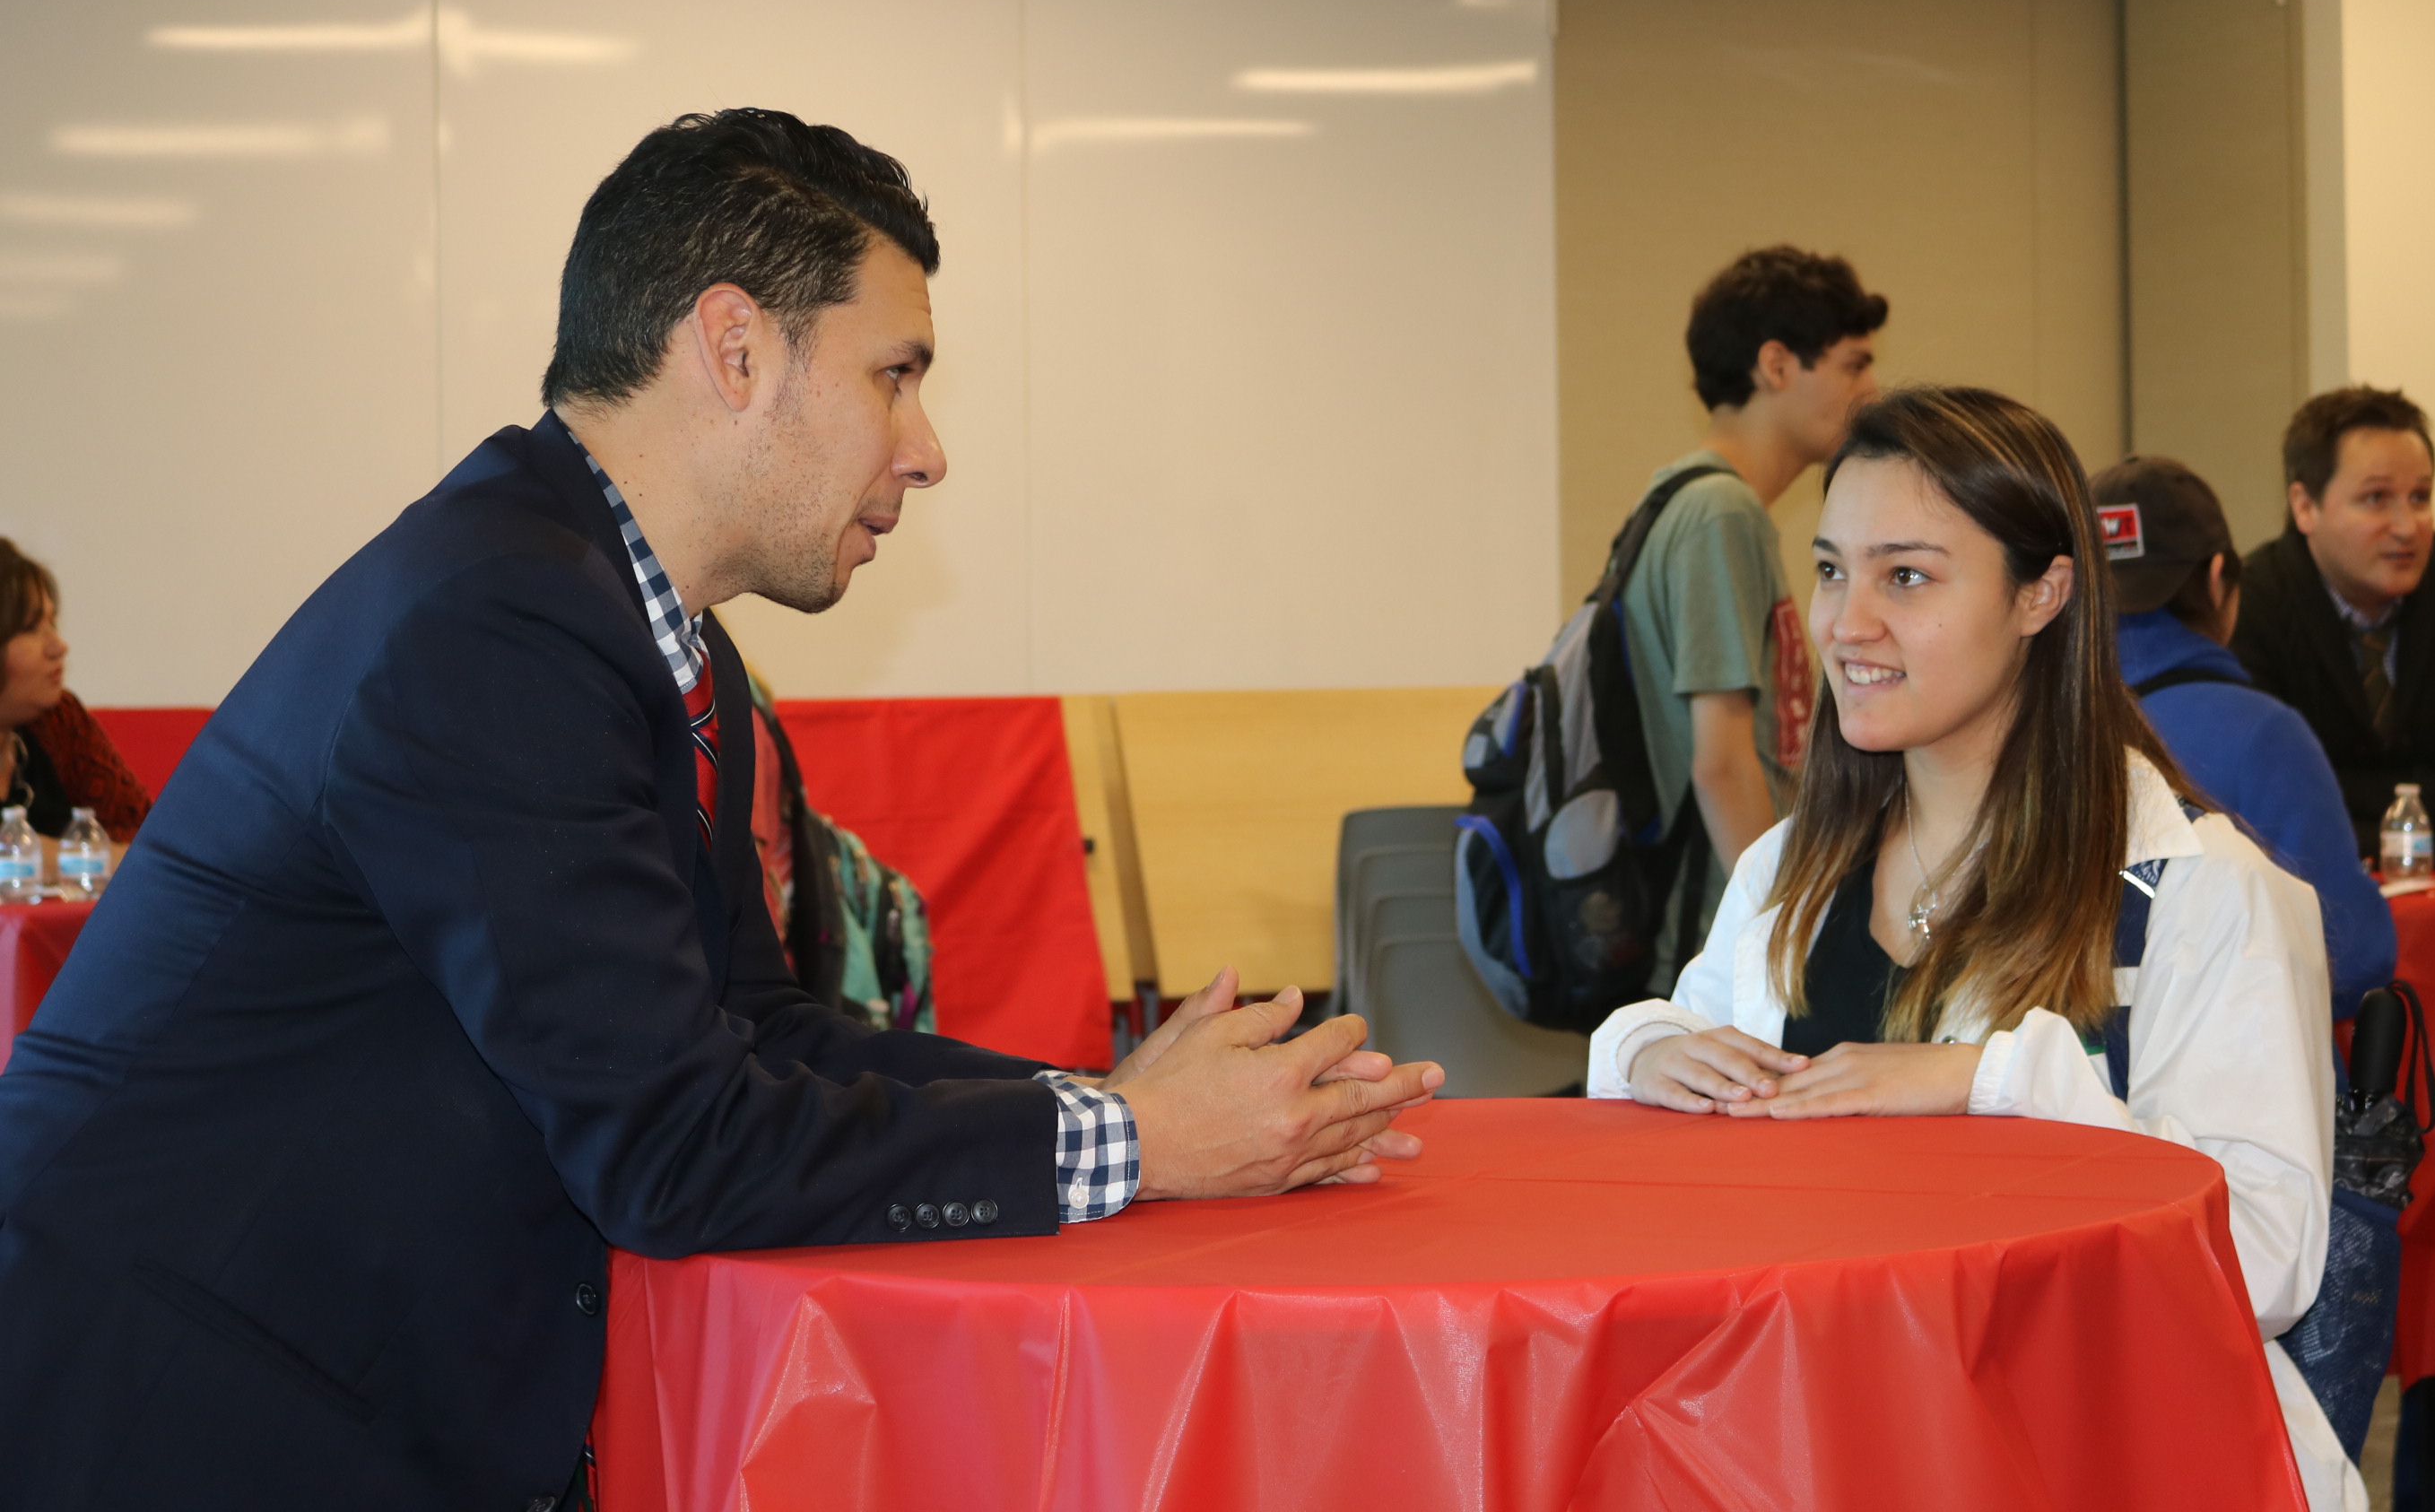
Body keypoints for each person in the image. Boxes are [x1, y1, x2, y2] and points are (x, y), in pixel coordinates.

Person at [0, 109, 1443, 1510]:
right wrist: (1140, 1144)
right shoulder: (494, 626)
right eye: (897, 374)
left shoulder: (654, 638)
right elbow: (674, 1150)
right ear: (736, 347)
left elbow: (759, 1032)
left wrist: (1106, 1104)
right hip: (177, 1399)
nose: (928, 448)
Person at [1586, 387, 2362, 1512]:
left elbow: (2267, 1258)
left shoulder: (2203, 895)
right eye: (1833, 569)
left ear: (2043, 593)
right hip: (1826, 1443)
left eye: (1907, 576)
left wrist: (1990, 1078)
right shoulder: (1787, 875)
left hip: (2099, 1454)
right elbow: (1694, 1087)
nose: (1849, 622)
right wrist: (1647, 1046)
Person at [1621, 246, 1883, 976]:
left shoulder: (1683, 498)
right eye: (1853, 365)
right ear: (1776, 365)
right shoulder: (1718, 513)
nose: (1872, 387)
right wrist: (1781, 932)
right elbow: (1723, 763)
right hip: (1712, 929)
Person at [2089, 456, 2394, 1021]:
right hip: (2231, 1089)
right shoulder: (2264, 737)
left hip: (2061, 1087)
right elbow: (2352, 961)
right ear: (2217, 577)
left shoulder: (2026, 730)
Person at [2232, 387, 2435, 871]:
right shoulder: (2250, 602)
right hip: (2306, 907)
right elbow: (2266, 811)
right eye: (2376, 499)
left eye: (2420, 497)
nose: (2408, 526)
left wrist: (2340, 796)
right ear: (2305, 506)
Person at [0, 539, 152, 845]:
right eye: (31, 628)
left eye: (52, 623)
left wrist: (50, 857)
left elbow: (147, 839)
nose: (59, 646)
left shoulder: (59, 719)